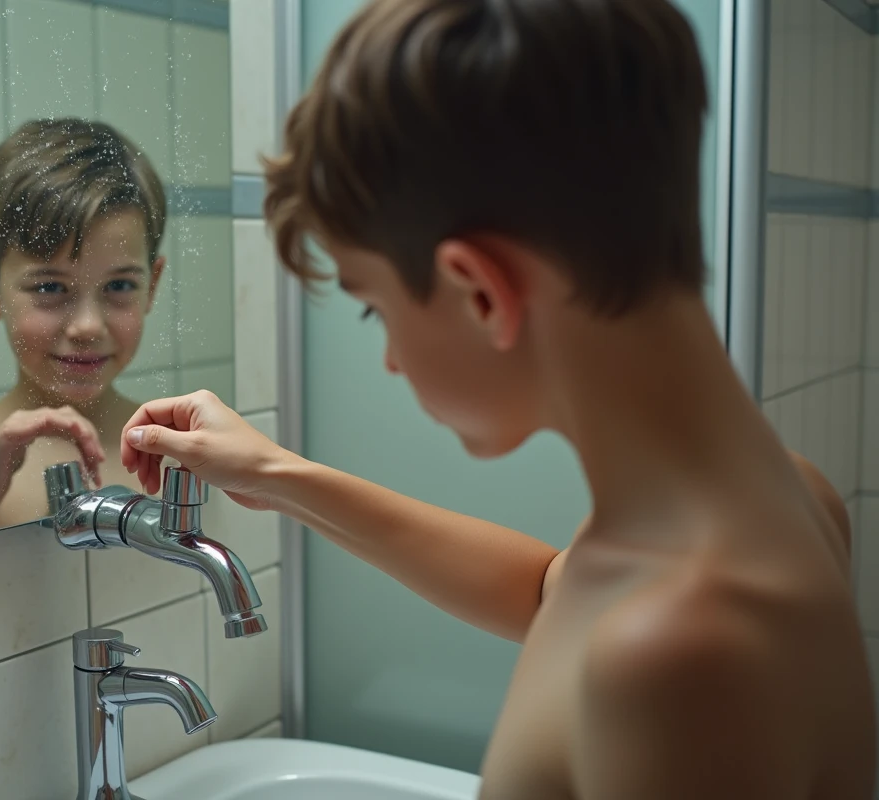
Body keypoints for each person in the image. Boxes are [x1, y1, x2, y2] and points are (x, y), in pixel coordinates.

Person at [119, 0, 875, 797]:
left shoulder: (677, 656)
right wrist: (281, 475)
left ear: (480, 291)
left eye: (376, 306)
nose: (388, 361)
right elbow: (552, 591)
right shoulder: (778, 500)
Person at [0, 119, 167, 546]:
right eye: (50, 287)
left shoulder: (172, 448)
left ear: (152, 284)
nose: (87, 327)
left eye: (119, 286)